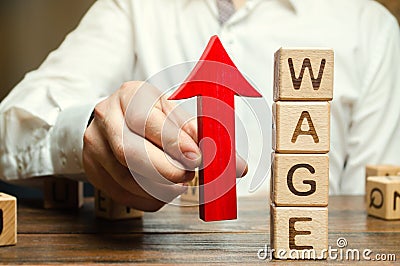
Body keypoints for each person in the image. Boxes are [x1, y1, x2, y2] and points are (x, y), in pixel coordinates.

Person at [1, 0, 400, 211]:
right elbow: (9, 131)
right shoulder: (133, 7)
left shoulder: (371, 29)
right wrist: (85, 129)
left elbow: (371, 222)